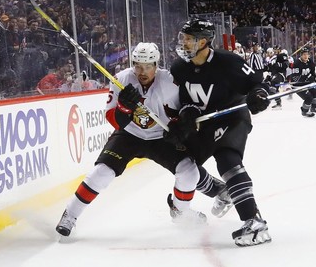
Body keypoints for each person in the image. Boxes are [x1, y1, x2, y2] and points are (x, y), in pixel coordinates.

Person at [55, 42, 228, 237]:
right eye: (138, 65)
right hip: (130, 135)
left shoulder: (171, 82)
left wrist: (180, 125)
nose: (142, 71)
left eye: (147, 66)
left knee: (189, 172)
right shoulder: (121, 79)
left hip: (160, 138)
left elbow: (187, 109)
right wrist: (125, 108)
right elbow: (114, 119)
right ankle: (70, 215)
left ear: (156, 64)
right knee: (101, 173)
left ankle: (180, 211)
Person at [165, 18, 272, 247]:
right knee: (183, 161)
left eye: (188, 39)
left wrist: (259, 95)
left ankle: (253, 221)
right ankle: (220, 191)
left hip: (232, 118)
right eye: (182, 38)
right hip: (206, 123)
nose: (182, 42)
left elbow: (258, 84)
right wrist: (186, 115)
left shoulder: (228, 62)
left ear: (203, 41)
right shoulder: (179, 67)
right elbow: (185, 100)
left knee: (227, 159)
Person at [290, 47, 316, 117]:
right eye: (304, 54)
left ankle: (313, 108)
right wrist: (308, 78)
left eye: (307, 54)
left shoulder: (310, 62)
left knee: (315, 91)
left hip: (307, 83)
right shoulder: (296, 64)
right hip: (297, 85)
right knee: (309, 97)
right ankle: (304, 111)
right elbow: (295, 78)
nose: (306, 56)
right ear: (301, 55)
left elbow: (313, 74)